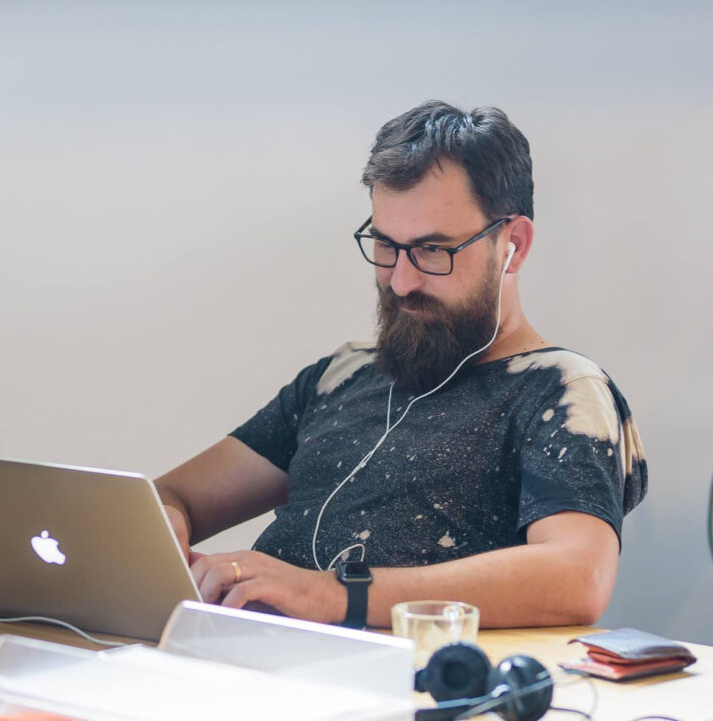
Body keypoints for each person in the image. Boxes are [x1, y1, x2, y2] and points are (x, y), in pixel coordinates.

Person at [155, 101, 647, 630]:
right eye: (386, 246)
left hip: (401, 674)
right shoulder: (340, 377)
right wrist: (163, 528)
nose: (401, 282)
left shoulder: (561, 391)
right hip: (246, 654)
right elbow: (168, 496)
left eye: (433, 250)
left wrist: (328, 594)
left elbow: (577, 576)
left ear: (514, 245)